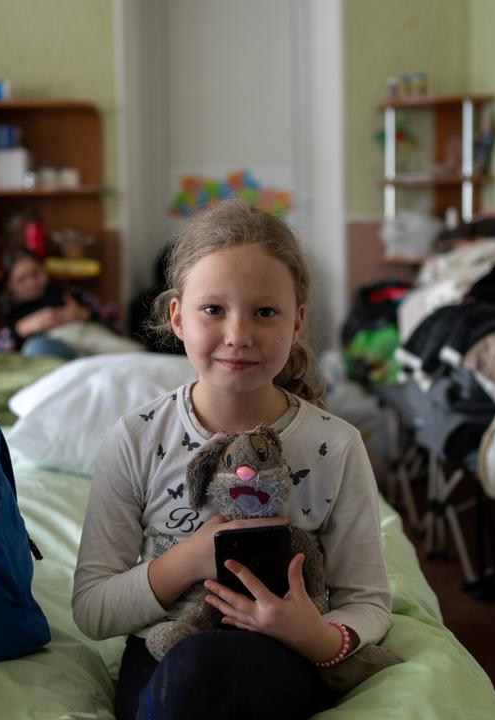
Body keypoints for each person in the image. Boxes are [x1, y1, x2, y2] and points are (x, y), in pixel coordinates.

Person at [72, 200, 392, 719]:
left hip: (285, 657)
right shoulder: (135, 439)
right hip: (163, 654)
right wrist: (190, 559)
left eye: (265, 312)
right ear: (177, 317)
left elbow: (369, 601)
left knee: (206, 671)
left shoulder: (337, 445)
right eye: (213, 310)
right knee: (192, 671)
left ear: (297, 322)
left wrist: (315, 636)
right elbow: (92, 609)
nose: (238, 335)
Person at [0, 247, 141, 359]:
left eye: (36, 274)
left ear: (44, 271)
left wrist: (83, 314)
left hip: (86, 334)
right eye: (21, 280)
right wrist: (21, 329)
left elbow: (114, 317)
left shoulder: (65, 291)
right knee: (36, 348)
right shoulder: (10, 311)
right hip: (56, 346)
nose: (32, 283)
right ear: (10, 286)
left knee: (132, 352)